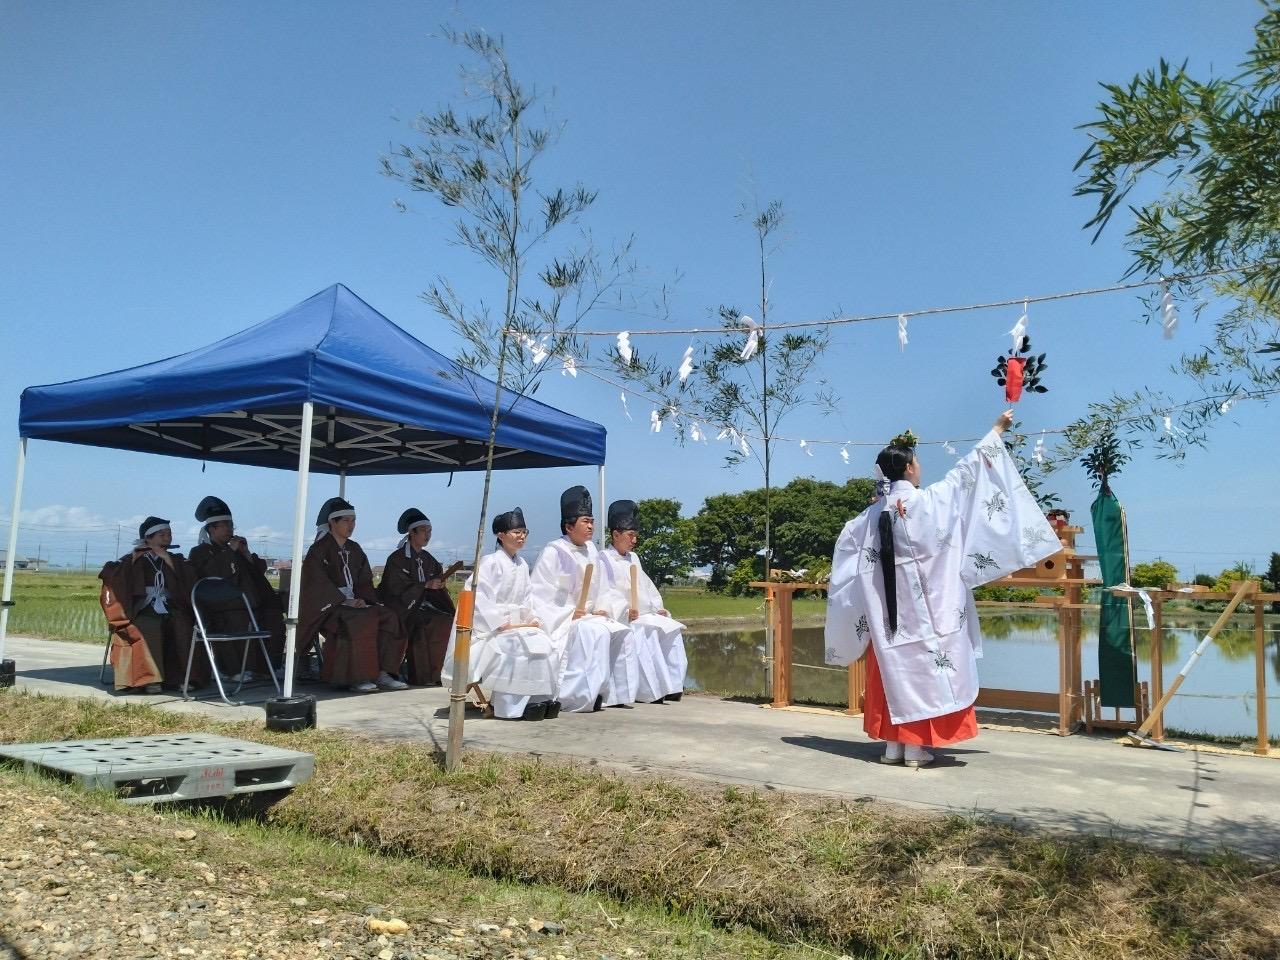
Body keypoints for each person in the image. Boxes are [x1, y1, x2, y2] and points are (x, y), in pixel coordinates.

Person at [825, 410, 1060, 768]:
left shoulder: (867, 517)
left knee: (894, 671)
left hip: (888, 618)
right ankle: (917, 748)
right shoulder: (929, 501)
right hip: (931, 616)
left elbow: (846, 563)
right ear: (907, 469)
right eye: (916, 462)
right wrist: (996, 428)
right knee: (929, 673)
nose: (919, 467)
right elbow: (968, 473)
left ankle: (893, 746)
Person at [441, 507, 561, 720]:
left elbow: (527, 599)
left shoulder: (523, 564)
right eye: (516, 532)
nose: (521, 536)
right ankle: (507, 707)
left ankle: (536, 700)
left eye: (524, 532)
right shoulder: (489, 562)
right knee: (516, 648)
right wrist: (499, 622)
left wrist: (531, 618)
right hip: (488, 630)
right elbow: (476, 598)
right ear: (501, 535)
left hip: (517, 626)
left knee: (544, 642)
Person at [529, 485, 634, 712]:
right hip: (562, 618)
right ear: (568, 526)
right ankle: (571, 695)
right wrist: (569, 613)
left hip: (587, 615)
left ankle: (599, 692)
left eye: (592, 521)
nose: (590, 526)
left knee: (617, 630)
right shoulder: (553, 551)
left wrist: (601, 608)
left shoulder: (592, 551)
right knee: (593, 632)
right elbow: (541, 595)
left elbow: (602, 587)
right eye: (585, 521)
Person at [297, 497, 408, 693]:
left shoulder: (354, 549)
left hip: (356, 603)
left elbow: (364, 580)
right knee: (360, 620)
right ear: (332, 522)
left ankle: (383, 671)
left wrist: (364, 600)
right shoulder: (318, 550)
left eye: (354, 520)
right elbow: (315, 585)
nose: (352, 525)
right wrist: (344, 600)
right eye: (346, 521)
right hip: (330, 607)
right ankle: (359, 676)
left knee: (389, 617)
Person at [98, 516, 206, 694]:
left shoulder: (176, 558)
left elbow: (191, 576)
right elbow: (113, 576)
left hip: (170, 604)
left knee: (183, 626)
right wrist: (133, 559)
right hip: (142, 606)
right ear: (148, 538)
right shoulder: (133, 557)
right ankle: (150, 679)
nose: (167, 538)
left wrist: (167, 559)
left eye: (169, 534)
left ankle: (183, 677)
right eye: (162, 534)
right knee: (149, 626)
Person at [187, 495, 285, 683]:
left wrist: (246, 554)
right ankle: (233, 669)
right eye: (224, 525)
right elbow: (212, 573)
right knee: (236, 619)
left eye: (231, 525)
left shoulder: (236, 550)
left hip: (249, 602)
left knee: (272, 616)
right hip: (221, 605)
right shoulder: (199, 552)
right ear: (211, 529)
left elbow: (256, 573)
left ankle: (268, 667)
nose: (229, 529)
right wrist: (229, 552)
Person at [597, 499, 687, 703]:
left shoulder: (634, 558)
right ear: (616, 534)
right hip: (623, 615)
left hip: (644, 612)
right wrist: (624, 609)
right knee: (647, 629)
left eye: (635, 536)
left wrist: (658, 607)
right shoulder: (604, 558)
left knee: (671, 627)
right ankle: (650, 690)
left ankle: (673, 685)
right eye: (631, 535)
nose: (634, 541)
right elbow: (605, 590)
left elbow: (647, 586)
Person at [377, 507, 456, 686]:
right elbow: (394, 588)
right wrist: (425, 586)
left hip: (424, 606)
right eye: (423, 531)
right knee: (422, 623)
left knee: (446, 621)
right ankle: (421, 676)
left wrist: (438, 585)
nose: (427, 535)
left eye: (430, 531)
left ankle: (438, 674)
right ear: (412, 532)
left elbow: (435, 581)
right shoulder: (396, 559)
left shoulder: (429, 559)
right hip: (402, 607)